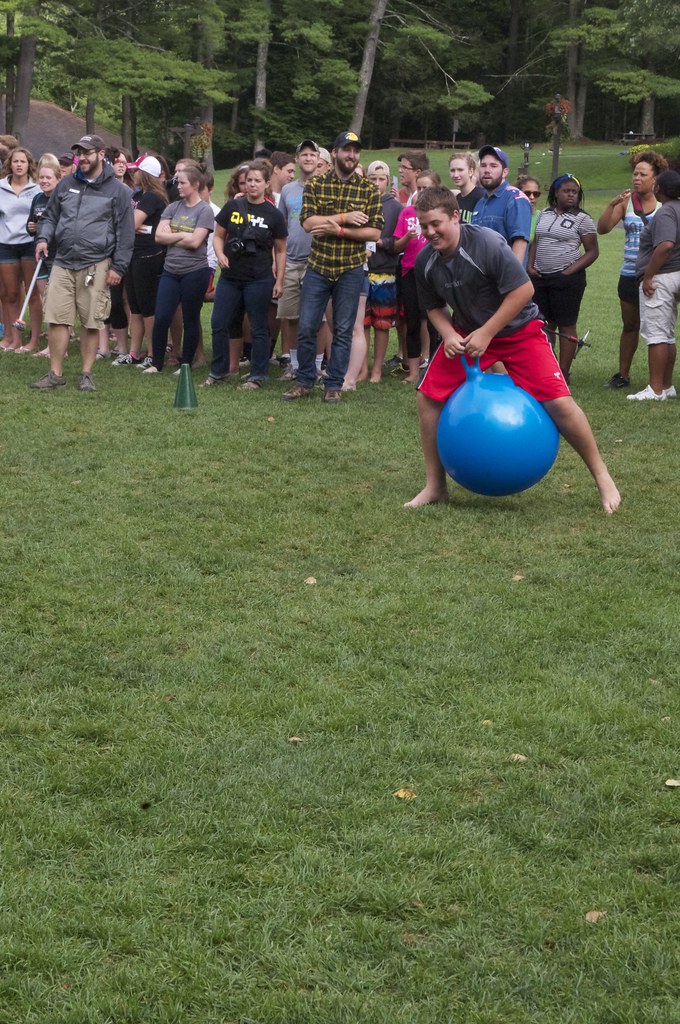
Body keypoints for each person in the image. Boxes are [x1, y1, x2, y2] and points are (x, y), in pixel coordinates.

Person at [405, 187, 620, 514]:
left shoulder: (487, 243)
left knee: (560, 404)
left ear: (454, 217)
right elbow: (433, 307)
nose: (430, 232)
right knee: (428, 398)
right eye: (424, 226)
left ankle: (603, 477)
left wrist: (489, 332)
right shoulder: (425, 260)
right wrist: (448, 334)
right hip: (467, 333)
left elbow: (524, 291)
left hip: (519, 331)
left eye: (436, 223)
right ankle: (436, 486)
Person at [281, 130, 383, 404]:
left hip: (350, 268)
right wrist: (346, 217)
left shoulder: (368, 189)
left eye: (356, 151)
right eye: (346, 149)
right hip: (318, 267)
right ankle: (304, 380)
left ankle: (334, 385)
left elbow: (374, 233)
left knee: (343, 328)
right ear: (335, 153)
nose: (351, 155)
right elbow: (307, 223)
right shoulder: (316, 185)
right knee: (306, 326)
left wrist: (337, 230)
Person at [31, 134, 134, 391]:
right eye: (80, 153)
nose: (83, 157)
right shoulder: (66, 185)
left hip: (95, 265)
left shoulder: (119, 191)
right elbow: (51, 217)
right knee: (56, 317)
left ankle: (86, 373)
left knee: (90, 320)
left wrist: (119, 267)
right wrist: (43, 238)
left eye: (88, 152)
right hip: (62, 261)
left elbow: (126, 232)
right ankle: (55, 374)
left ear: (101, 155)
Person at [201, 159, 286, 390]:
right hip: (230, 277)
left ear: (267, 184)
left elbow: (280, 250)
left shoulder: (274, 214)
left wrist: (279, 280)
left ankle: (257, 376)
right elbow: (218, 235)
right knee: (218, 323)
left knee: (258, 327)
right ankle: (218, 372)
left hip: (259, 278)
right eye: (249, 180)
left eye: (258, 181)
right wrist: (220, 254)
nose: (252, 185)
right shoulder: (232, 207)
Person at [598, 150, 668, 389]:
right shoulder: (627, 202)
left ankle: (658, 382)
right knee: (630, 326)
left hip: (656, 277)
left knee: (657, 329)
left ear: (655, 178)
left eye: (642, 174)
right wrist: (612, 205)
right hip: (629, 273)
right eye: (635, 173)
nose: (636, 178)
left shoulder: (664, 204)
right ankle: (623, 375)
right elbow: (603, 229)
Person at [527, 173, 598, 382]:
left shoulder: (582, 219)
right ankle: (548, 370)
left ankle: (564, 372)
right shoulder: (544, 214)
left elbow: (592, 251)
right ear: (556, 193)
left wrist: (567, 272)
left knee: (566, 324)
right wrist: (530, 266)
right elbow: (536, 241)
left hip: (567, 280)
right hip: (540, 278)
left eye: (574, 192)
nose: (571, 195)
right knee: (545, 325)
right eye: (566, 191)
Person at [143, 163, 213, 374]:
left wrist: (173, 237)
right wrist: (183, 235)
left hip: (195, 272)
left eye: (182, 183)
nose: (178, 186)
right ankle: (156, 363)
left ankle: (185, 364)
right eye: (177, 182)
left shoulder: (205, 210)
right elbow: (158, 237)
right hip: (170, 271)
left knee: (190, 318)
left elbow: (195, 243)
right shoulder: (172, 207)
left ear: (195, 184)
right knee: (162, 315)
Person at [627, 169, 680, 401]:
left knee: (657, 333)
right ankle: (667, 386)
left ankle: (655, 389)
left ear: (660, 189)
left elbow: (666, 244)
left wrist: (648, 276)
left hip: (661, 278)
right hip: (674, 275)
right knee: (667, 334)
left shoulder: (666, 211)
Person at [115, 155, 168, 367]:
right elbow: (122, 221)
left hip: (149, 256)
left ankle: (152, 353)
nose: (132, 173)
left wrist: (135, 226)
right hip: (133, 254)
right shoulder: (137, 195)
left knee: (148, 306)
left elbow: (129, 223)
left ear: (145, 174)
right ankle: (134, 352)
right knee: (135, 306)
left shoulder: (153, 197)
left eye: (136, 170)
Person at [391, 170, 441, 383]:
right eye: (419, 188)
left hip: (435, 271)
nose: (421, 192)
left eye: (426, 188)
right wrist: (406, 237)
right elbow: (395, 245)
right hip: (409, 271)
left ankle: (436, 369)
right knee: (412, 320)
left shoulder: (441, 215)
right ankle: (412, 371)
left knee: (434, 321)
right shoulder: (408, 212)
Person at [277, 139, 320, 381]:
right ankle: (294, 364)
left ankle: (317, 364)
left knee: (319, 319)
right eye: (303, 154)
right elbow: (280, 228)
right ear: (297, 159)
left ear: (318, 159)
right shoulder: (287, 191)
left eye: (312, 154)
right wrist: (278, 261)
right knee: (290, 315)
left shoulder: (326, 187)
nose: (308, 158)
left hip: (317, 261)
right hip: (291, 260)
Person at [0, 146, 41, 352]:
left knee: (32, 294)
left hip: (29, 245)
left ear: (28, 165)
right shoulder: (0, 187)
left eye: (22, 161)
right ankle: (13, 339)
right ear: (10, 164)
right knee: (10, 294)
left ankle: (34, 340)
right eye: (15, 161)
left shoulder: (37, 189)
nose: (18, 165)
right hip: (6, 245)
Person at [26, 153, 62, 357]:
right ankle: (51, 344)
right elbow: (30, 225)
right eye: (41, 177)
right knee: (45, 298)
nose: (44, 181)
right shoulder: (38, 198)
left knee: (56, 300)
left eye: (49, 178)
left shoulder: (61, 199)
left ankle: (56, 347)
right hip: (40, 254)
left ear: (57, 179)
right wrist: (31, 227)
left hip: (57, 254)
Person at [471, 146, 532, 265]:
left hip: (505, 279)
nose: (487, 170)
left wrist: (512, 279)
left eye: (493, 166)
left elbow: (520, 243)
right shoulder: (480, 203)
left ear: (505, 172)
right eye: (483, 166)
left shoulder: (515, 199)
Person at [449, 152, 483, 224]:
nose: (455, 175)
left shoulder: (481, 198)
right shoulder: (456, 200)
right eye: (452, 170)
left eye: (460, 170)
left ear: (470, 171)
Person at [517, 176, 542, 240]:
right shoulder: (511, 216)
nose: (532, 197)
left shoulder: (542, 217)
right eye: (527, 193)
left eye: (536, 194)